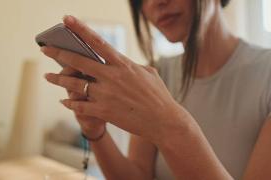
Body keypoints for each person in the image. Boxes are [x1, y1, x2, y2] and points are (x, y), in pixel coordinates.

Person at [41, 0, 271, 179]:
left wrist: (171, 125)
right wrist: (94, 131)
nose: (154, 3)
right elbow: (137, 176)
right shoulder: (159, 74)